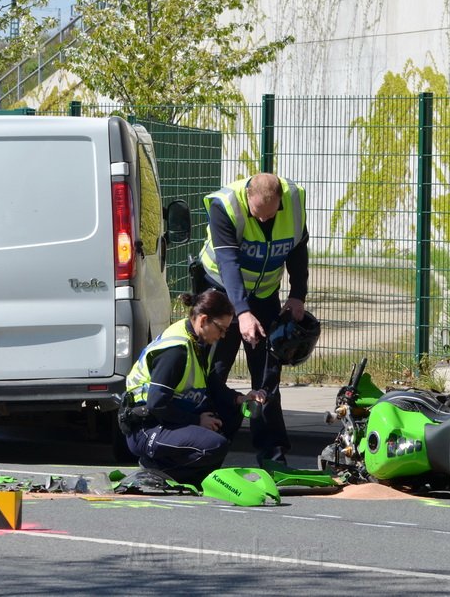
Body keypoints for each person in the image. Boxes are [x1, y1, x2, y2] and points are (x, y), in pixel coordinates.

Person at [198, 172, 310, 466]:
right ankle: (208, 449)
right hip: (222, 293)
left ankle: (273, 455)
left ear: (281, 203)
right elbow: (228, 263)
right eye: (258, 216)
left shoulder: (295, 201)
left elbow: (298, 250)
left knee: (267, 376)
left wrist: (298, 294)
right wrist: (242, 312)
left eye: (270, 217)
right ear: (249, 198)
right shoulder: (225, 205)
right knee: (215, 371)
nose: (264, 222)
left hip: (264, 294)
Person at [120, 290, 261, 485]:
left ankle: (192, 475)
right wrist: (197, 420)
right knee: (214, 445)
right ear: (203, 320)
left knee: (231, 413)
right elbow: (156, 404)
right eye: (221, 329)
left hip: (169, 419)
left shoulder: (197, 340)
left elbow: (212, 383)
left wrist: (240, 399)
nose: (222, 336)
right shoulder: (176, 350)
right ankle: (154, 470)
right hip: (146, 427)